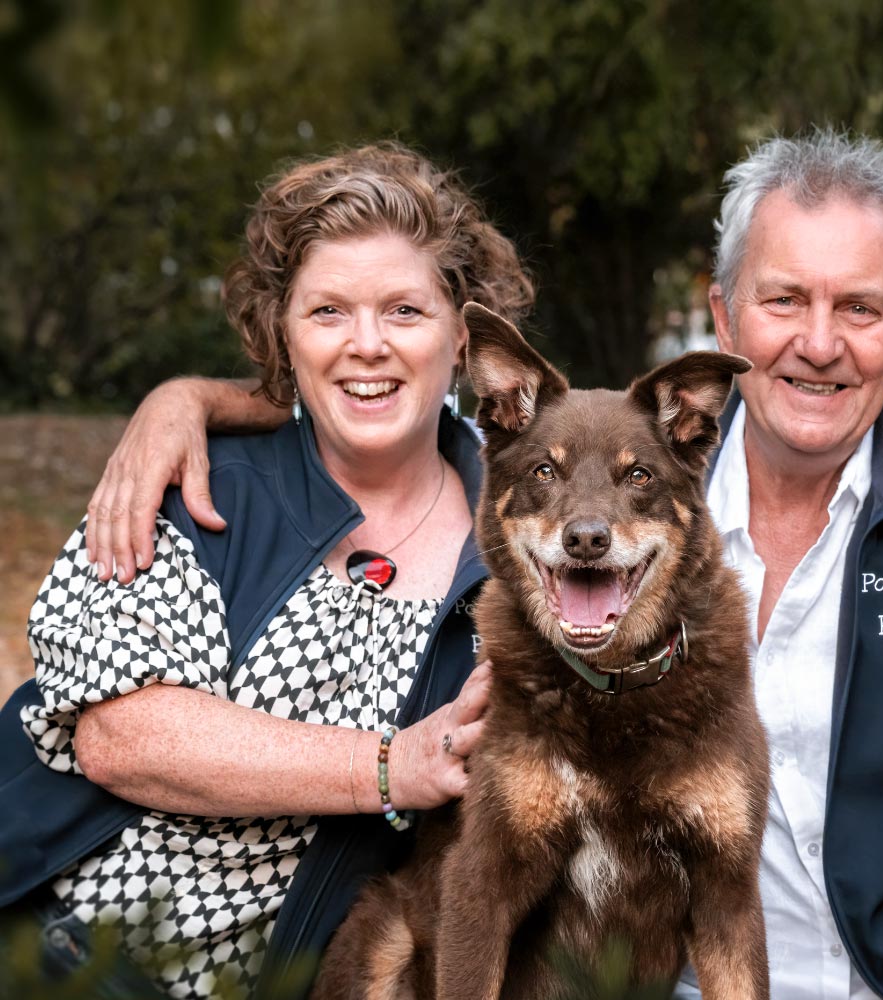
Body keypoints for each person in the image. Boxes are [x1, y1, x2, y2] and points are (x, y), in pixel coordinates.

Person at [59, 130, 883, 999]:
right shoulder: (582, 485)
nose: (818, 339)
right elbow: (420, 426)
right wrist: (184, 401)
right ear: (722, 315)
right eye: (783, 299)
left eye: (860, 307)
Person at [0, 141, 534, 999]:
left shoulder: (526, 545)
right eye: (327, 312)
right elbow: (119, 735)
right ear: (284, 332)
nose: (367, 346)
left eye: (404, 311)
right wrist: (392, 765)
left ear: (463, 335)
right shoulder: (201, 487)